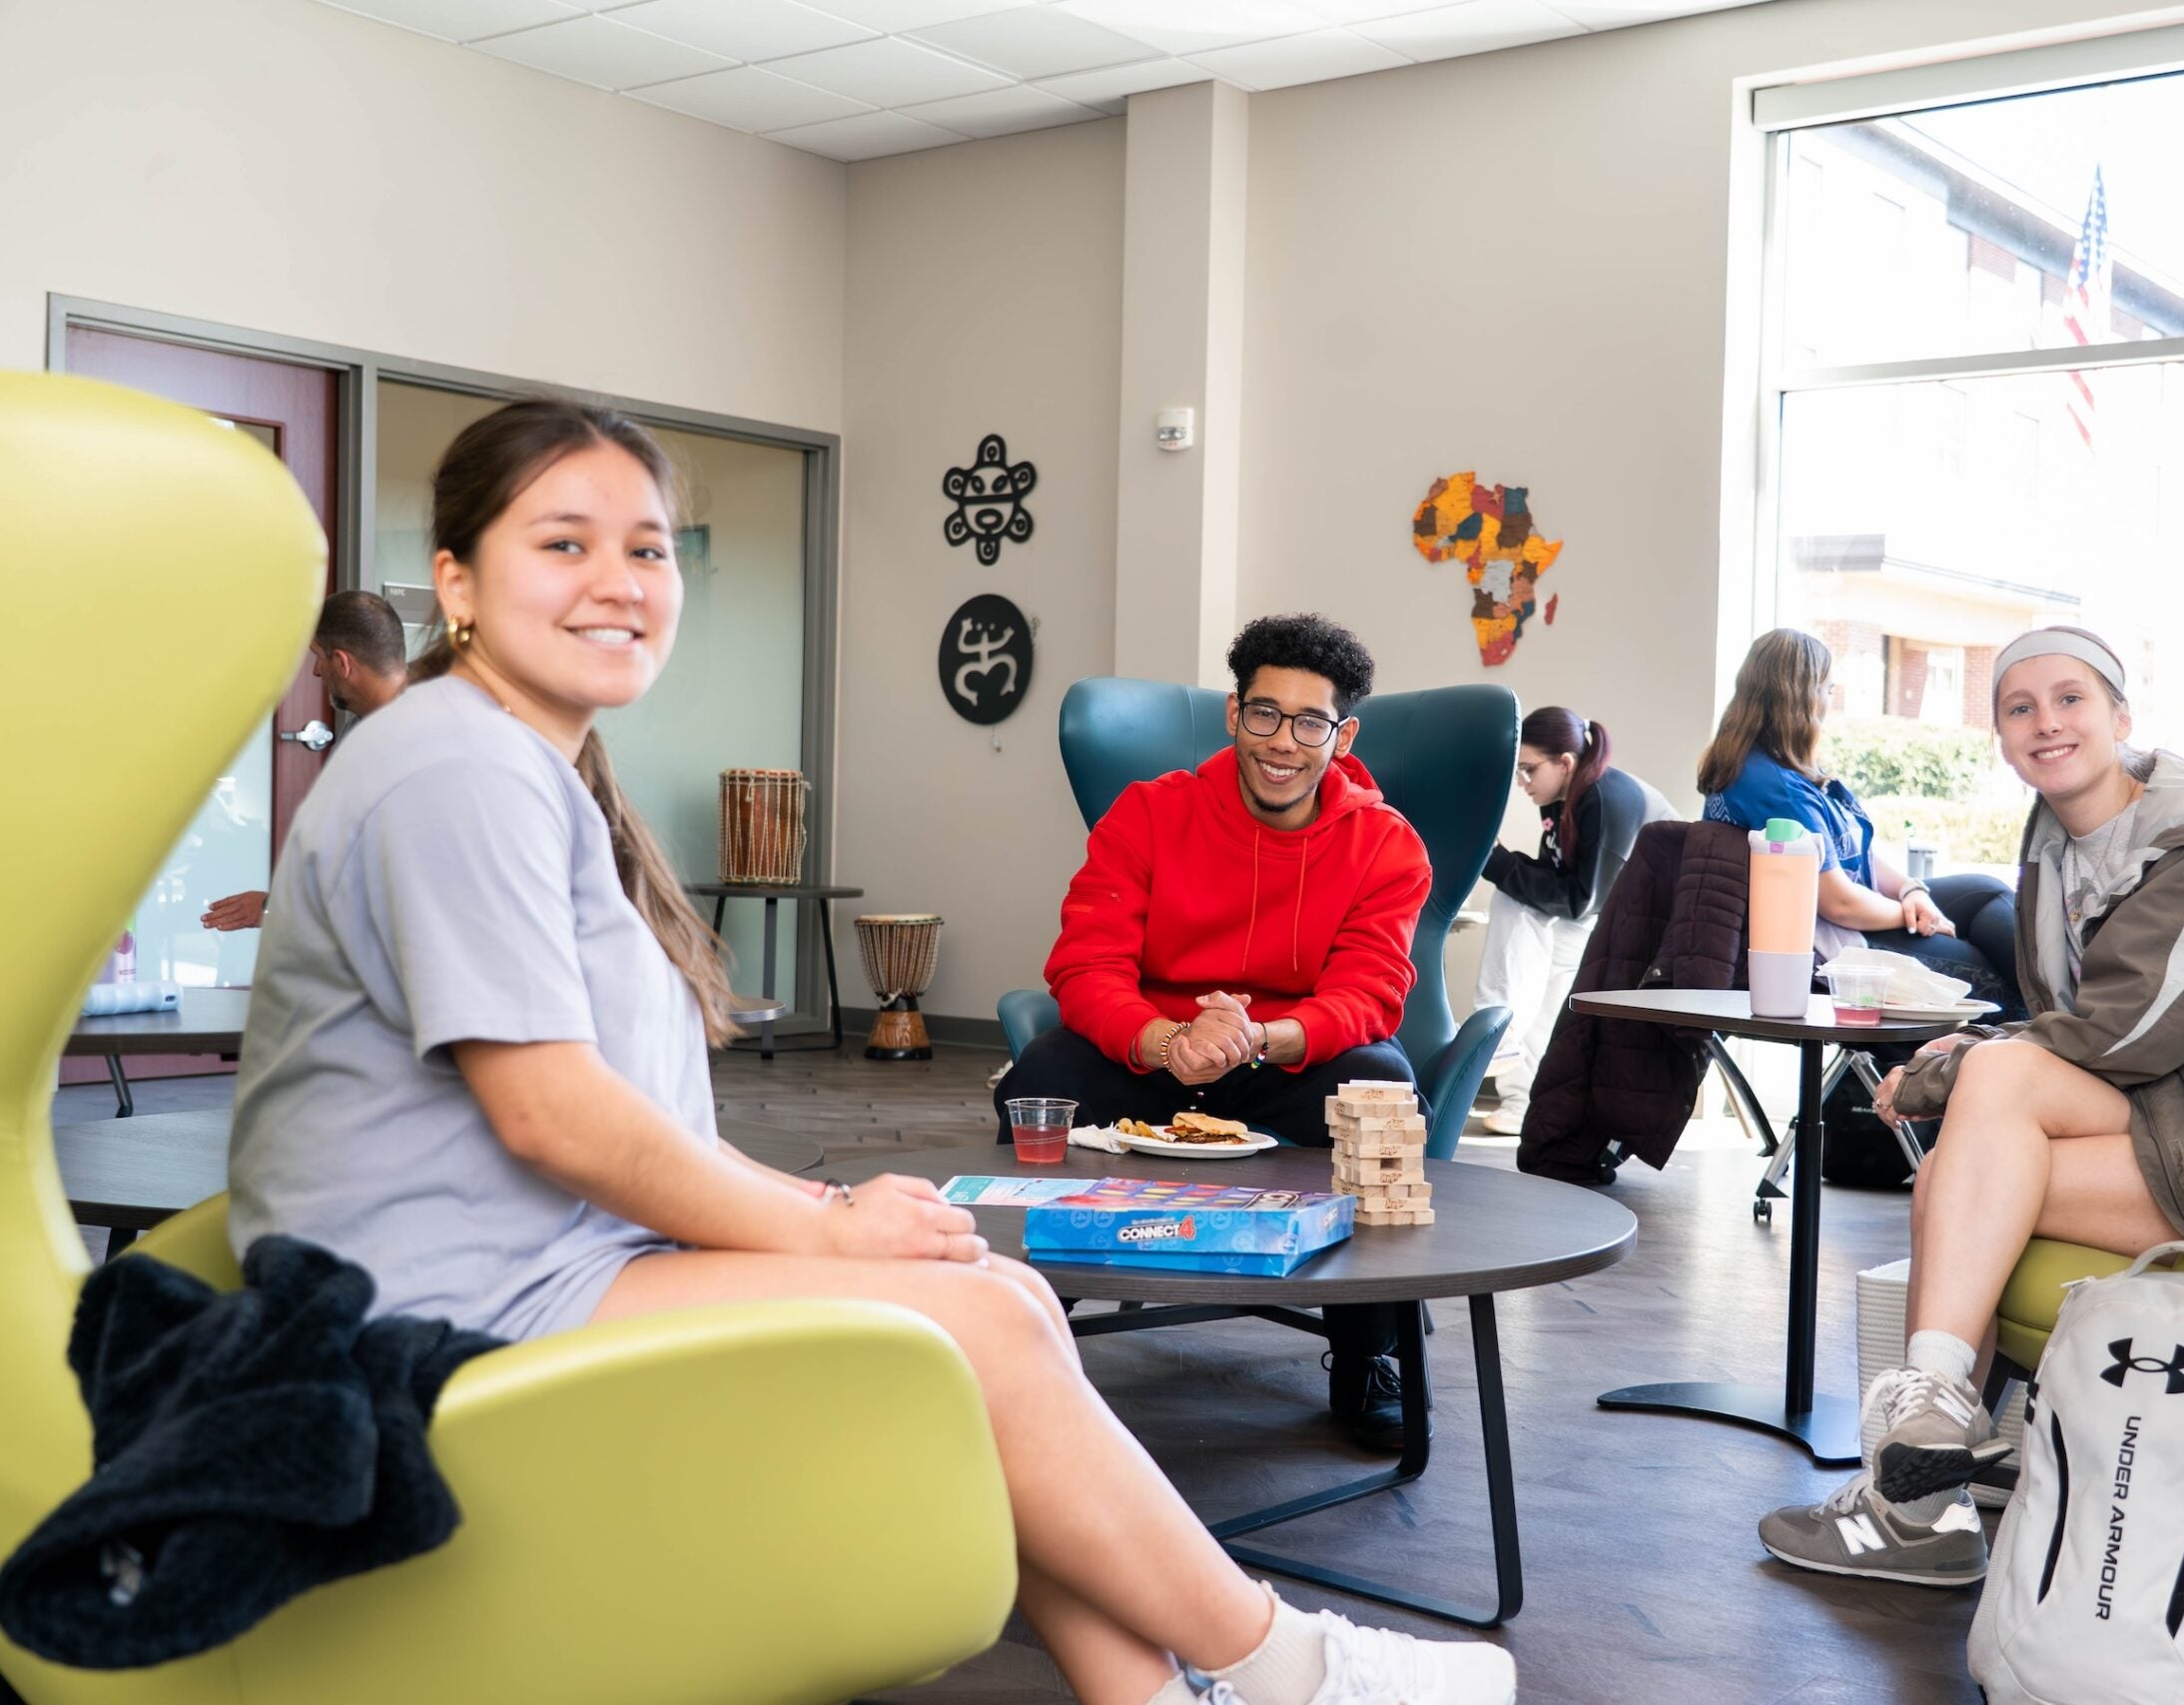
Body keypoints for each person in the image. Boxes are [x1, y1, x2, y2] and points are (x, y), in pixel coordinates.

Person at [226, 402, 1513, 1705]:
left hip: (551, 1258)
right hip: (441, 1306)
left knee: (1006, 1297)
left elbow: (625, 1119)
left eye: (648, 548)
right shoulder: (457, 767)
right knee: (984, 1320)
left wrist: (819, 1204)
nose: (617, 580)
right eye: (565, 543)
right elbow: (555, 1116)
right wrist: (834, 1226)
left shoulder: (526, 771)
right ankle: (1289, 1663)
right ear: (455, 580)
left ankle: (1172, 1693)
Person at [1757, 625, 2184, 1589]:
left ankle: (1923, 1457)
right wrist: (1982, 1056)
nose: (2047, 722)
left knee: (1984, 1101)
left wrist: (1958, 1065)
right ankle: (1928, 1493)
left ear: (2121, 717)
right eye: (2019, 707)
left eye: (2070, 698)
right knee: (1957, 1166)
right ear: (2000, 736)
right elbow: (2087, 1026)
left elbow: (2128, 1035)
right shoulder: (2057, 843)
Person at [997, 613, 1431, 1453]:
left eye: (1311, 722)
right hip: (1155, 1051)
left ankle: (1368, 1352)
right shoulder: (1148, 812)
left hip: (1285, 1058)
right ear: (1234, 714)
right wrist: (1169, 1040)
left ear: (1344, 737)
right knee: (1043, 1071)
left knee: (1380, 1083)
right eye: (1265, 713)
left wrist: (1256, 1036)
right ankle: (1018, 1327)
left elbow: (1369, 993)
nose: (1283, 741)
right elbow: (1086, 964)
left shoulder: (1387, 844)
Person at [1698, 628, 2023, 1020]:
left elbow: (1856, 854)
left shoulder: (1782, 771)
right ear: (1801, 696)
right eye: (1827, 689)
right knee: (1999, 984)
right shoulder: (1773, 788)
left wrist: (1911, 891)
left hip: (1859, 914)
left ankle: (2062, 999)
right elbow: (1839, 903)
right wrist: (1911, 914)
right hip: (1842, 943)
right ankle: (2053, 1020)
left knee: (1986, 893)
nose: (1829, 701)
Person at [1472, 704, 1677, 1136]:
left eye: (1529, 769)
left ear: (1565, 763)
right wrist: (1498, 860)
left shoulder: (1603, 798)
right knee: (1523, 926)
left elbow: (1579, 899)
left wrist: (1498, 862)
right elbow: (1557, 881)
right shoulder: (1562, 797)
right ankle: (1519, 1085)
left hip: (1653, 927)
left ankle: (1500, 1043)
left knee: (1523, 921)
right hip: (1609, 914)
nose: (1522, 782)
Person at [200, 588, 410, 932]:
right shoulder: (359, 729)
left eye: (318, 656)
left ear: (342, 663)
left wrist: (273, 908)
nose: (315, 672)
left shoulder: (421, 745)